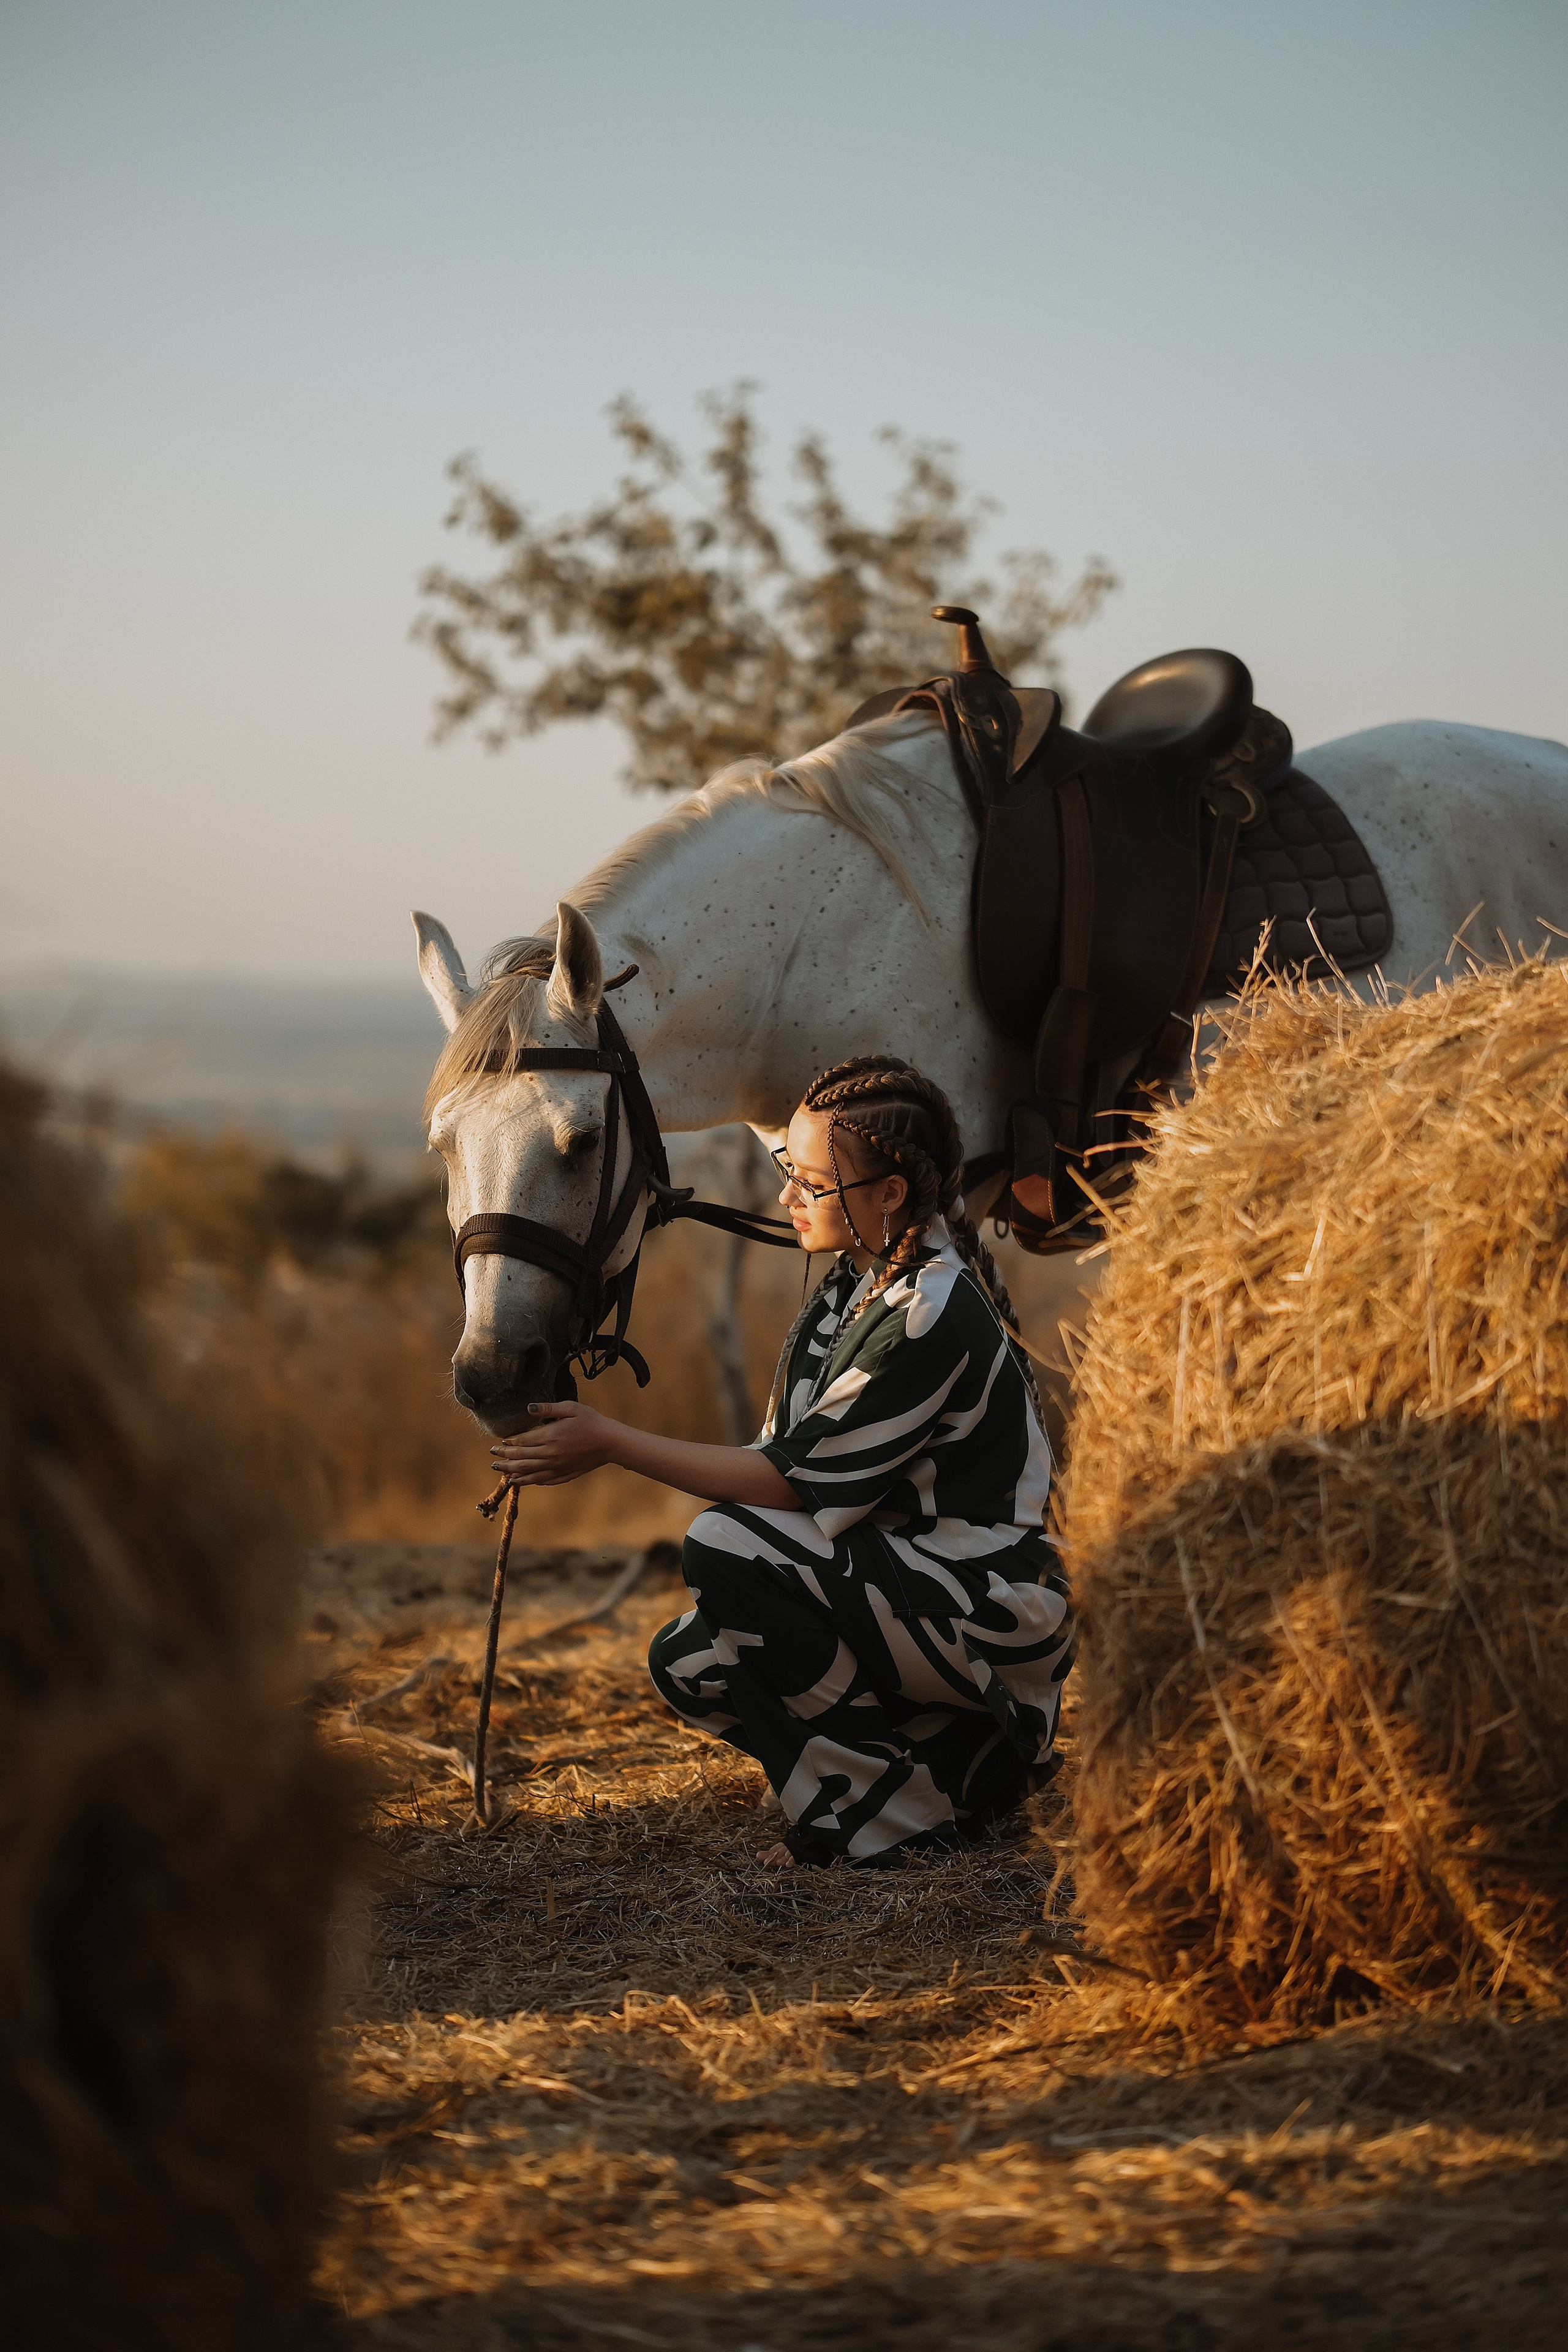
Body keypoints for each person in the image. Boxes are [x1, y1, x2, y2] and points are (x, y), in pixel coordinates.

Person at [488, 1054, 1074, 1869]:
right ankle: (967, 1766)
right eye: (785, 1172)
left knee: (725, 1547)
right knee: (691, 1663)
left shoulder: (928, 1309)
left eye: (808, 1181)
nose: (786, 1198)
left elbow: (787, 1486)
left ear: (891, 1193)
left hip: (991, 1604)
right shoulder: (854, 1291)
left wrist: (612, 1443)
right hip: (908, 1585)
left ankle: (890, 1818)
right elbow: (786, 1466)